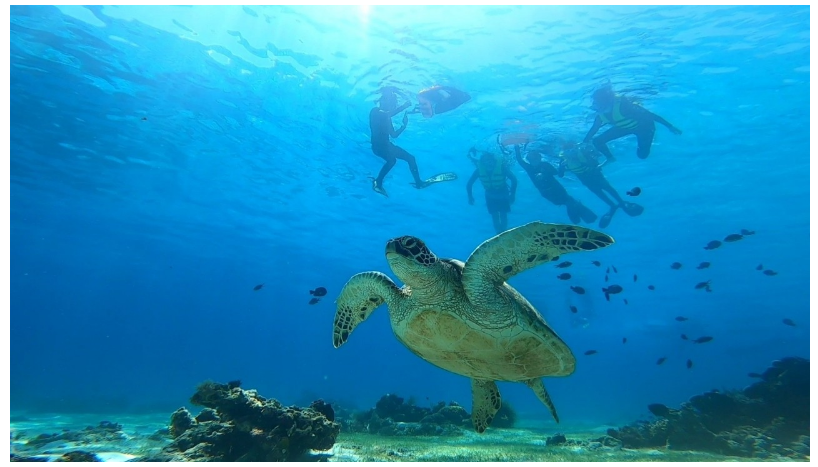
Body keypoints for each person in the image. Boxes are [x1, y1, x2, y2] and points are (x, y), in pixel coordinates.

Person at [583, 85, 682, 162]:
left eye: (597, 104)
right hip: (624, 127)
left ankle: (649, 140)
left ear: (605, 103)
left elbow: (650, 115)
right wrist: (585, 142)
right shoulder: (600, 115)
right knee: (597, 141)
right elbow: (594, 129)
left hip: (644, 128)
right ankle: (610, 158)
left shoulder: (624, 106)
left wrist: (670, 126)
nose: (594, 107)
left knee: (642, 156)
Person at [558, 142, 643, 228]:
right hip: (588, 182)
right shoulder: (563, 160)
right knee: (601, 194)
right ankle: (613, 206)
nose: (571, 153)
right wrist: (561, 167)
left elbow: (595, 162)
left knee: (609, 189)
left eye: (572, 150)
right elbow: (560, 175)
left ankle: (621, 203)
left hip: (597, 176)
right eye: (568, 151)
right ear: (564, 152)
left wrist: (580, 161)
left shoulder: (583, 153)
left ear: (576, 148)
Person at [512, 144, 597, 225]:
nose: (535, 160)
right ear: (529, 160)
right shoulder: (528, 168)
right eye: (532, 159)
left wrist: (560, 166)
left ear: (539, 158)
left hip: (557, 189)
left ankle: (581, 219)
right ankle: (580, 218)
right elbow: (519, 159)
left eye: (536, 158)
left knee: (569, 201)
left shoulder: (545, 165)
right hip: (547, 193)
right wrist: (517, 148)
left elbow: (558, 174)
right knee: (568, 202)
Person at [466, 149, 517, 234]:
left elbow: (514, 180)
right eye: (485, 162)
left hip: (503, 192)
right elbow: (469, 184)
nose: (488, 163)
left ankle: (504, 233)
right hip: (490, 194)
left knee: (503, 213)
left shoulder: (502, 168)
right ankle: (498, 233)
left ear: (494, 161)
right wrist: (470, 196)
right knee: (494, 215)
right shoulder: (479, 170)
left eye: (490, 161)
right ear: (482, 163)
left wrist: (513, 194)